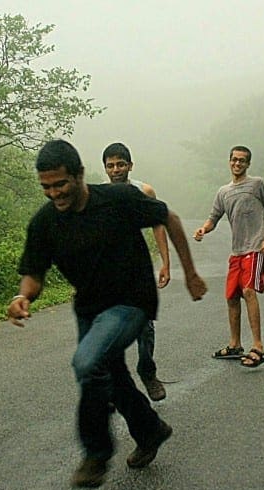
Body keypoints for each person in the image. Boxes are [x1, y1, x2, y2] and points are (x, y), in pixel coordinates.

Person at [8, 139, 207, 489]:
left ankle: (96, 452)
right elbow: (34, 275)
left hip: (131, 302)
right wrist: (23, 297)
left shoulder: (119, 200)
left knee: (87, 363)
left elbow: (170, 219)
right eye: (46, 187)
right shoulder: (44, 223)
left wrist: (189, 273)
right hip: (90, 309)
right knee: (109, 376)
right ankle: (150, 431)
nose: (54, 194)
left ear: (80, 175)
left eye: (60, 184)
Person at [193, 146, 264, 368]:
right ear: (229, 161)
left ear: (248, 164)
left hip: (256, 248)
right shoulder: (223, 192)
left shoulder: (257, 184)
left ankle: (258, 346)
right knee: (232, 296)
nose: (238, 164)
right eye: (234, 160)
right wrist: (203, 229)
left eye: (242, 161)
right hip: (237, 251)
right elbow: (214, 217)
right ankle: (235, 345)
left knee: (249, 291)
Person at [102, 142, 169, 402]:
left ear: (130, 166)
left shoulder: (144, 191)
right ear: (105, 169)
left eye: (120, 164)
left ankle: (147, 370)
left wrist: (165, 262)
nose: (116, 169)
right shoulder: (99, 196)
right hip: (108, 274)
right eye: (111, 165)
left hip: (137, 271)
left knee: (145, 327)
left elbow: (159, 225)